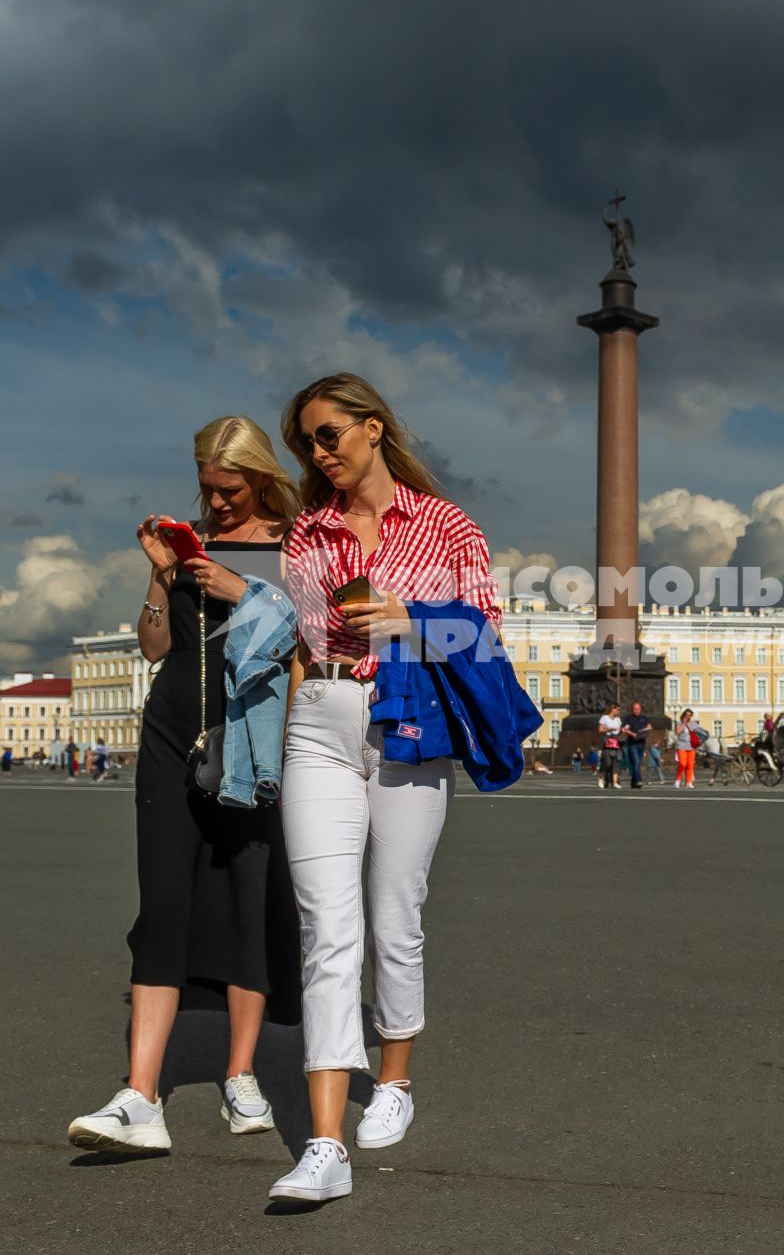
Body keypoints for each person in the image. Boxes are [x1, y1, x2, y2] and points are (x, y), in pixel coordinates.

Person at [270, 371, 508, 1204]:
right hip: (323, 719)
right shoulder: (309, 531)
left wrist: (411, 617)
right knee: (325, 927)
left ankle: (396, 1078)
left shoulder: (448, 525)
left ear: (373, 428)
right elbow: (306, 633)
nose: (318, 451)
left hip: (409, 723)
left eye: (329, 433)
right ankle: (325, 1146)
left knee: (392, 913)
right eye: (307, 441)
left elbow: (486, 628)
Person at [68, 416, 305, 1159]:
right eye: (206, 488)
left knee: (245, 899)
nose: (217, 503)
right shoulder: (189, 541)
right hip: (174, 731)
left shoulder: (299, 544)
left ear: (260, 477)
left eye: (228, 489)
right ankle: (141, 1097)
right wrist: (158, 571)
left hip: (254, 742)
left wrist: (243, 590)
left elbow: (312, 638)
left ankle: (241, 1075)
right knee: (164, 900)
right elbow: (155, 645)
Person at [622, 702, 652, 789]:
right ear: (632, 709)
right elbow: (624, 729)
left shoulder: (644, 718)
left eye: (638, 709)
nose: (637, 710)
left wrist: (644, 729)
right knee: (636, 762)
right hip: (632, 743)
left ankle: (633, 782)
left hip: (641, 742)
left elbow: (649, 727)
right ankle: (638, 780)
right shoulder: (629, 718)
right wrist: (632, 733)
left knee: (636, 763)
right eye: (635, 709)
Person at [674, 708, 701, 789]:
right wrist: (684, 724)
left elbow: (699, 733)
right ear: (684, 715)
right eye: (687, 714)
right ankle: (678, 780)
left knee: (690, 765)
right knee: (682, 763)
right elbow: (677, 732)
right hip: (681, 746)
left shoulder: (693, 724)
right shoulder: (680, 723)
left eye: (690, 715)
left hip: (691, 747)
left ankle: (688, 782)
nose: (688, 716)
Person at [597, 704, 623, 789]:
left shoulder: (618, 719)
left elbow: (619, 730)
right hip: (608, 742)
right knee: (607, 763)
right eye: (618, 709)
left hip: (616, 742)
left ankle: (615, 783)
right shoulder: (604, 718)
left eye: (619, 710)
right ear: (612, 709)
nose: (619, 711)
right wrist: (609, 729)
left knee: (616, 763)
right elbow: (600, 729)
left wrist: (623, 730)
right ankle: (601, 778)